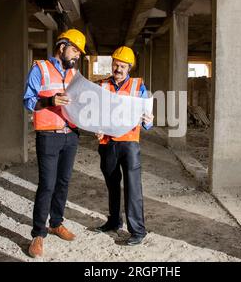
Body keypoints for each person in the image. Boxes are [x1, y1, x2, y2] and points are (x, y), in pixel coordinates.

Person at [23, 28, 86, 258]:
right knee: (47, 184)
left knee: (63, 182)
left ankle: (56, 222)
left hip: (71, 136)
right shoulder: (39, 69)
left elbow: (80, 104)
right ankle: (38, 234)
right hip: (48, 136)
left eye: (79, 53)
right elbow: (28, 101)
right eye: (75, 50)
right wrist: (50, 100)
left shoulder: (73, 74)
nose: (77, 55)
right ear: (62, 47)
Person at [95, 46, 154, 246]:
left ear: (129, 68)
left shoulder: (139, 87)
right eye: (115, 64)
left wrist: (148, 120)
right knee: (112, 185)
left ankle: (138, 231)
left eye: (122, 66)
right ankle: (113, 221)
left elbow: (147, 121)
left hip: (129, 144)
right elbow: (94, 112)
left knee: (133, 188)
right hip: (107, 143)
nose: (118, 68)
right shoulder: (102, 85)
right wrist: (96, 126)